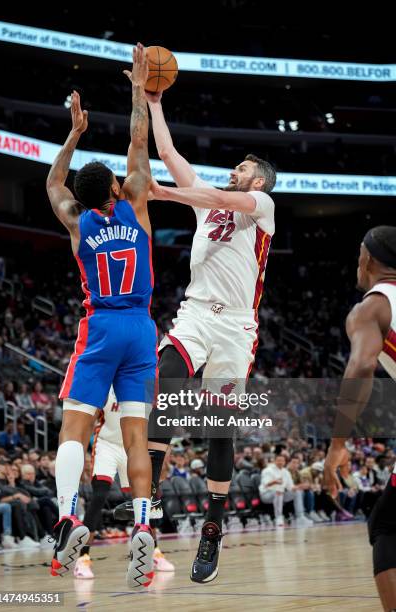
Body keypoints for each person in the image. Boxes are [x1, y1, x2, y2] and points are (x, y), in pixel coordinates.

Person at [117, 87, 276, 584]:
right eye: (238, 166)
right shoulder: (208, 207)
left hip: (235, 327)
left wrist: (164, 193)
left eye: (244, 166)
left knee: (218, 429)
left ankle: (212, 527)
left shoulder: (260, 205)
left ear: (260, 180)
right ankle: (152, 497)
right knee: (163, 384)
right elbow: (169, 154)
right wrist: (155, 101)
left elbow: (216, 196)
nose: (237, 169)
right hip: (196, 316)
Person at [45, 43, 157, 588]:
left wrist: (74, 132)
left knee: (75, 427)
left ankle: (69, 519)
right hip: (141, 328)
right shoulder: (135, 201)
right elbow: (139, 140)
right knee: (134, 434)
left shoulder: (77, 223)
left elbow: (52, 184)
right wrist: (138, 86)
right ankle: (141, 525)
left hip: (101, 325)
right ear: (115, 189)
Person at [323, 226, 396, 611]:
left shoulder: (372, 306)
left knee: (386, 527)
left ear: (367, 258)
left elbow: (361, 366)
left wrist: (337, 445)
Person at [74, 389, 174, 579]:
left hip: (134, 445)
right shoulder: (106, 384)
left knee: (145, 498)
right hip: (106, 445)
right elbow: (88, 419)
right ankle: (82, 557)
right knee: (99, 496)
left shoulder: (141, 383)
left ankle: (153, 552)